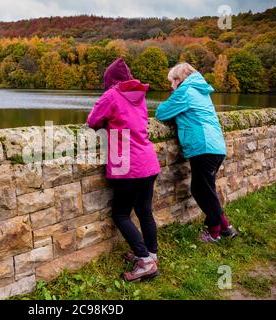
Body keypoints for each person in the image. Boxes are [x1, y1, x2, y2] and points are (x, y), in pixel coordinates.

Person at [87, 58, 161, 281]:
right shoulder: (140, 96)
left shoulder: (112, 94)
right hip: (148, 161)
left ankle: (145, 261)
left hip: (127, 166)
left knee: (120, 214)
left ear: (110, 81)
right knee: (145, 212)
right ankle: (152, 254)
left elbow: (93, 120)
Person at [155, 62, 238, 243]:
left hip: (203, 147)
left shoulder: (185, 92)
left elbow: (161, 113)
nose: (171, 86)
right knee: (205, 189)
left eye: (172, 82)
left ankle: (215, 232)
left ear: (180, 79)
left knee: (201, 190)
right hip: (215, 146)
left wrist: (173, 103)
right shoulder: (200, 90)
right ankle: (225, 227)